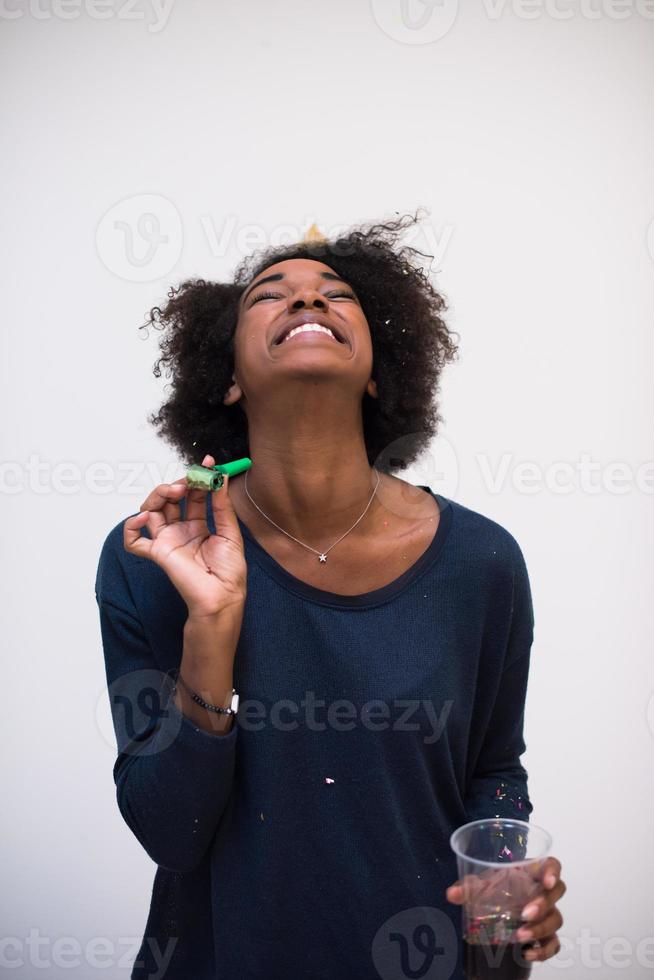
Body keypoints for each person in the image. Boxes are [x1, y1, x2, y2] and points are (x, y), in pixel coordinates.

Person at [95, 214, 566, 979]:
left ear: (381, 369)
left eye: (336, 294)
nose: (306, 302)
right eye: (270, 296)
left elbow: (494, 773)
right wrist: (211, 625)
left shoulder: (482, 561)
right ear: (229, 377)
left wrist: (510, 879)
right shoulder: (154, 557)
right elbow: (169, 834)